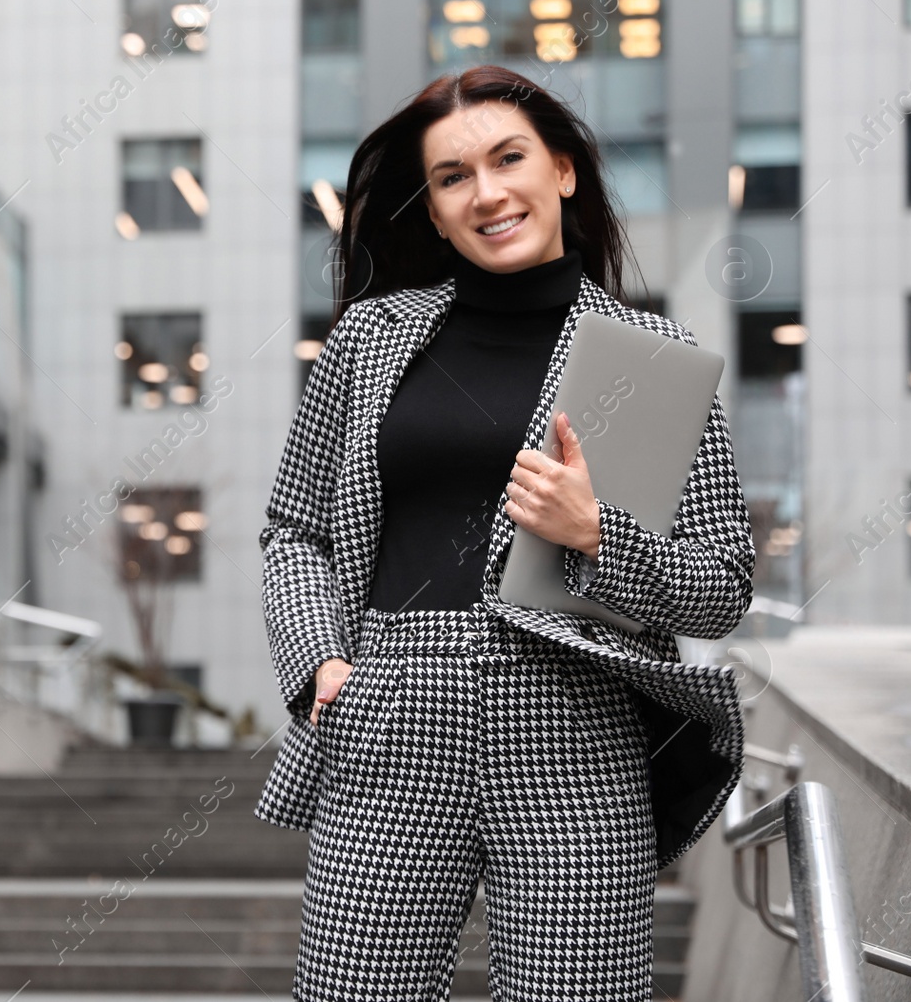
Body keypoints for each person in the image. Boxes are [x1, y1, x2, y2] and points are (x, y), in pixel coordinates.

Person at [253, 64, 756, 1001]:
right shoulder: (369, 339)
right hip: (391, 714)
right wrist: (321, 663)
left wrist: (599, 535)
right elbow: (295, 529)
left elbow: (723, 582)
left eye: (508, 158)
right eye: (452, 177)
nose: (486, 192)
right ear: (436, 212)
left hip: (578, 731)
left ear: (563, 170)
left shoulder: (657, 363)